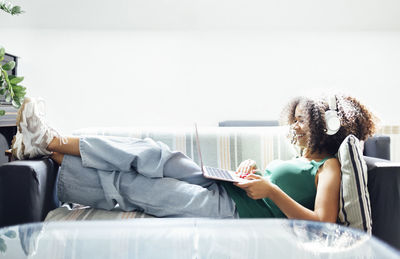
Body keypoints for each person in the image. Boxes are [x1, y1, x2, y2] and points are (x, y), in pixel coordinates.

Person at [11, 95, 377, 221]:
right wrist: (251, 173)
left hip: (231, 211)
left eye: (302, 120)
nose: (295, 126)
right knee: (153, 153)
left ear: (324, 126)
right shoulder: (301, 157)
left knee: (139, 188)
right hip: (227, 186)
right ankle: (50, 140)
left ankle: (46, 148)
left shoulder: (328, 166)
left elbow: (324, 223)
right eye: (294, 118)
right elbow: (268, 182)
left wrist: (269, 191)